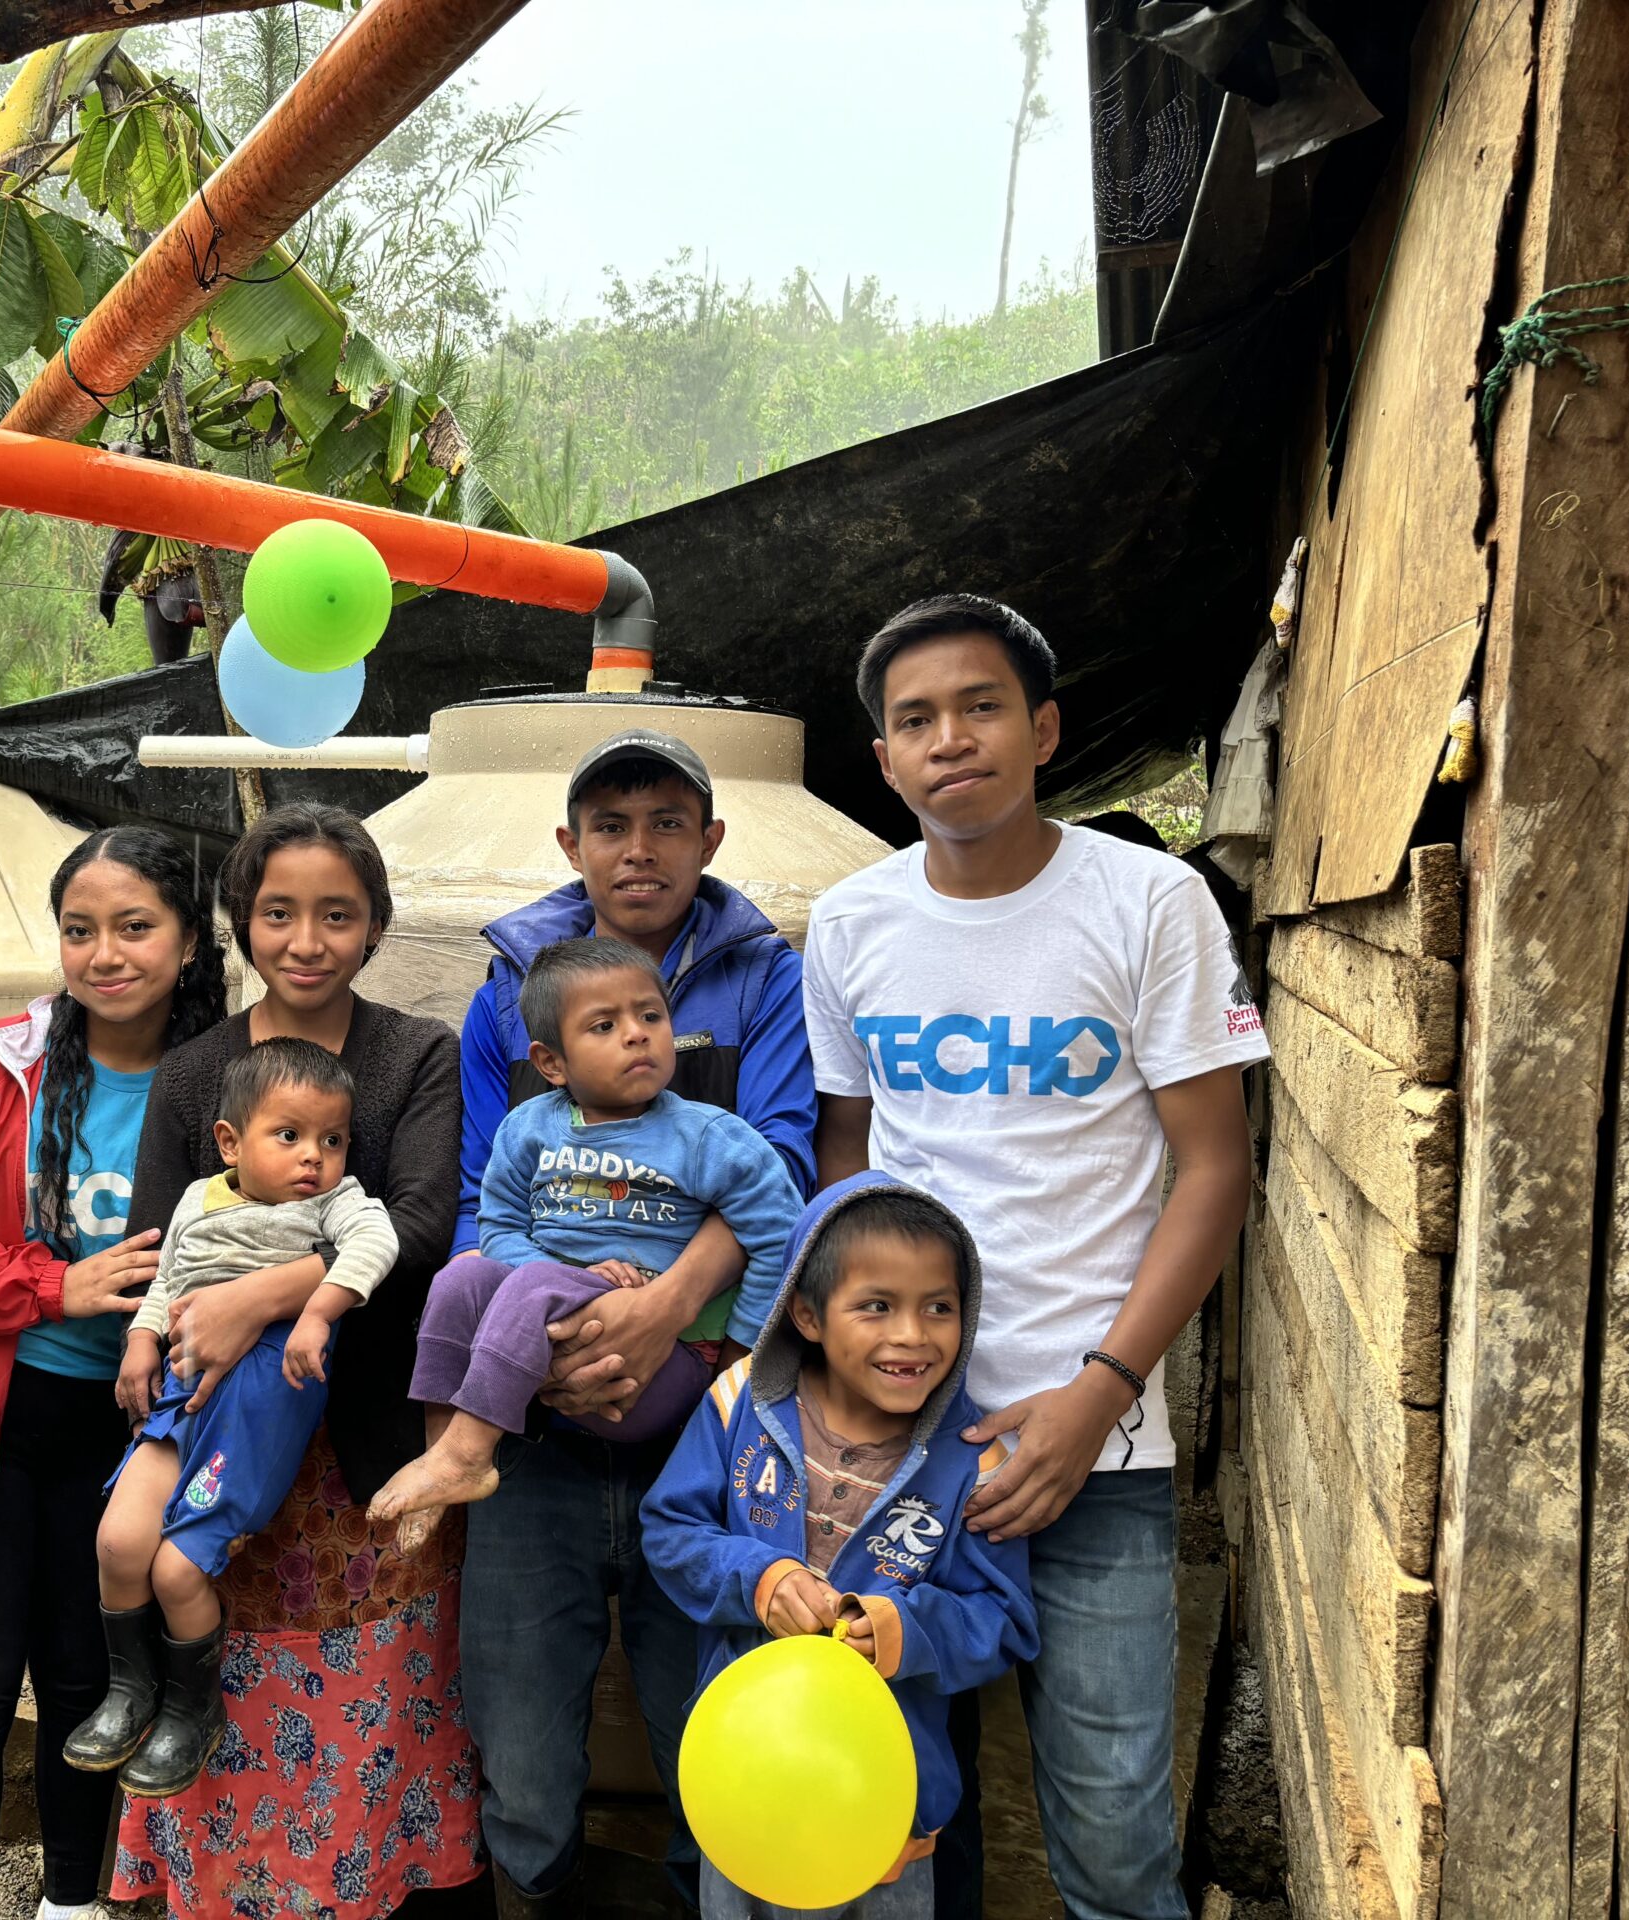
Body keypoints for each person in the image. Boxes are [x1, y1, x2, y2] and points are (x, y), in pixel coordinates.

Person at [804, 595, 1265, 1920]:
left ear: (1045, 727)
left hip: (1095, 1451)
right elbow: (850, 1152)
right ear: (884, 759)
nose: (950, 739)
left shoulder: (1149, 901)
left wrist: (1101, 1393)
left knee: (1113, 1831)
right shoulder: (850, 925)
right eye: (914, 721)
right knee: (902, 1809)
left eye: (981, 706)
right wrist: (866, 1371)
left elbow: (1215, 1168)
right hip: (898, 1441)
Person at [452, 730, 816, 1913]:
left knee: (708, 1717)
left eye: (667, 821)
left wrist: (668, 1315)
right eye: (611, 825)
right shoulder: (510, 989)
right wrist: (541, 1359)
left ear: (710, 840)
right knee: (519, 1731)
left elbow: (783, 1172)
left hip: (701, 1429)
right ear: (571, 845)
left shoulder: (765, 978)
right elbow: (476, 1203)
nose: (639, 848)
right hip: (538, 1438)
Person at [106, 803, 484, 1918]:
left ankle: (365, 1885)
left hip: (365, 1431)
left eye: (336, 914)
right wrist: (171, 1328)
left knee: (371, 1686)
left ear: (372, 929)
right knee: (222, 1665)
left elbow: (420, 1225)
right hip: (216, 1414)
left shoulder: (416, 1053)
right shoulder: (194, 1076)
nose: (305, 940)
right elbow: (153, 1240)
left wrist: (266, 1295)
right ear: (240, 923)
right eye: (278, 913)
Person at [0, 826, 227, 1920]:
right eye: (79, 930)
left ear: (189, 943)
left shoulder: (220, 1079)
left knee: (88, 1680)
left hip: (127, 1434)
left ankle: (72, 1905)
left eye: (133, 927)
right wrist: (48, 1287)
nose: (103, 954)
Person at [642, 1174, 1038, 1920]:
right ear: (807, 1314)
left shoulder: (973, 1462)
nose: (913, 1336)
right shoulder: (740, 1406)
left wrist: (900, 1630)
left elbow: (1003, 1619)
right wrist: (759, 1579)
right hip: (746, 1792)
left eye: (940, 1308)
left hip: (883, 1820)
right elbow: (670, 1530)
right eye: (877, 1306)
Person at [373, 936, 799, 1539]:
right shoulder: (529, 1128)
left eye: (651, 1016)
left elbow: (780, 1233)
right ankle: (444, 1451)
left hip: (658, 1364)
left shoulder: (708, 1137)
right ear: (551, 1063)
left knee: (535, 1284)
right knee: (462, 1275)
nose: (637, 1034)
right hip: (549, 1358)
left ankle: (466, 1453)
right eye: (604, 1025)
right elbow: (497, 1229)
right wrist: (560, 1275)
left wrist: (736, 1359)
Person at [69, 1039, 399, 1797]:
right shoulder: (199, 1199)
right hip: (182, 1389)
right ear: (230, 1141)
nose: (314, 1157)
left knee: (177, 1568)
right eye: (289, 1136)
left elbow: (380, 1241)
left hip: (256, 1400)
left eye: (333, 1140)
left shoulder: (336, 1204)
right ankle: (130, 1690)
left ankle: (192, 1707)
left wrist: (319, 1311)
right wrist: (142, 1340)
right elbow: (169, 1278)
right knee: (119, 1543)